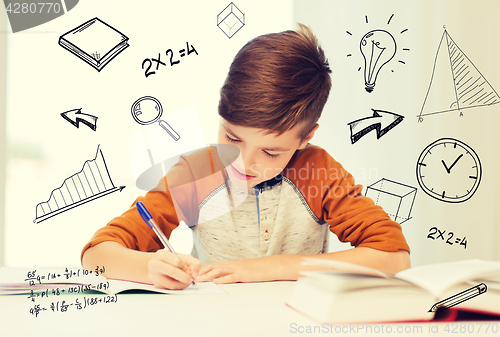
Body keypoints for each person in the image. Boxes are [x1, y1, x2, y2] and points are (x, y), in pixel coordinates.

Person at [81, 24, 410, 290]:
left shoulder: (318, 172)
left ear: (306, 137)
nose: (243, 162)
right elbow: (95, 255)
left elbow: (394, 258)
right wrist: (148, 267)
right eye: (231, 137)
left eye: (270, 151)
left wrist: (268, 269)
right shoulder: (198, 172)